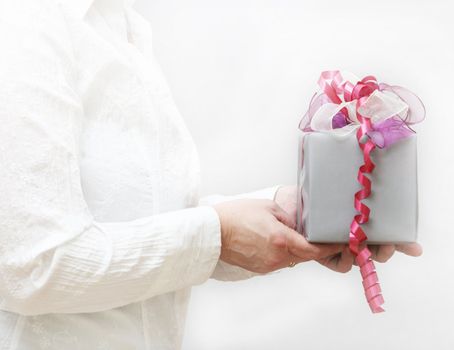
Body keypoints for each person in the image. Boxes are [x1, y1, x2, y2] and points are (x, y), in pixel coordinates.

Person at [0, 0, 422, 349]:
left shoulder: (120, 28)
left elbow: (142, 224)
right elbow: (31, 264)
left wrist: (296, 209)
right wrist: (219, 234)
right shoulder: (28, 24)